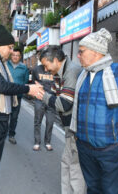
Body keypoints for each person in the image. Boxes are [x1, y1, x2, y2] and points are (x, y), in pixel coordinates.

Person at [70, 28, 118, 194]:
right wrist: (78, 137)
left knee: (111, 191)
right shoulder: (83, 75)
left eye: (81, 52)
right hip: (85, 148)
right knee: (93, 189)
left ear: (96, 52)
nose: (78, 55)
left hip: (111, 149)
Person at [0, 25, 43, 194]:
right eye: (10, 47)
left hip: (0, 119)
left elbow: (6, 84)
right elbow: (1, 85)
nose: (12, 52)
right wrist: (28, 89)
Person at [36, 46, 86, 194]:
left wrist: (41, 95)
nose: (45, 69)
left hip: (75, 126)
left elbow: (64, 104)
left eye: (46, 65)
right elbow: (55, 95)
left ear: (56, 60)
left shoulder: (71, 72)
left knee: (74, 166)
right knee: (67, 162)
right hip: (69, 125)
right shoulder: (60, 73)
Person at [31, 55, 56, 151]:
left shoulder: (54, 69)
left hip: (51, 100)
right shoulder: (36, 70)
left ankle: (48, 142)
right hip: (39, 99)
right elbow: (34, 83)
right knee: (37, 121)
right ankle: (37, 142)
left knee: (50, 122)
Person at [6, 48, 29, 144]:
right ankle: (2, 134)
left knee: (14, 117)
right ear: (11, 56)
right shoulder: (6, 65)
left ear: (20, 57)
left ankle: (11, 135)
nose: (15, 57)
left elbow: (25, 81)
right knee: (4, 116)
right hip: (6, 96)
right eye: (13, 55)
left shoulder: (24, 68)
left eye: (17, 55)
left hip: (17, 97)